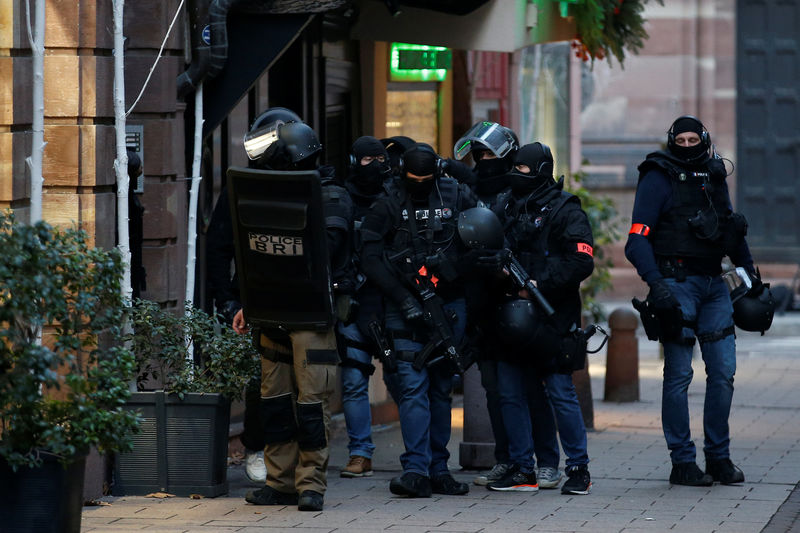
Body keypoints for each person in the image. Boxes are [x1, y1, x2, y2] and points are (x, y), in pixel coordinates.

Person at [625, 115, 754, 486]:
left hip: (715, 286)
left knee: (723, 374)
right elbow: (636, 241)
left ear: (704, 140)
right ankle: (682, 462)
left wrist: (750, 275)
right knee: (679, 375)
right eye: (679, 141)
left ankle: (718, 458)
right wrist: (657, 284)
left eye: (691, 140)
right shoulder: (658, 175)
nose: (686, 146)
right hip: (675, 284)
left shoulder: (714, 176)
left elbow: (729, 229)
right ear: (670, 141)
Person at [233, 111, 344, 512]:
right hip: (271, 310)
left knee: (311, 405)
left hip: (312, 315)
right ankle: (279, 483)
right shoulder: (267, 195)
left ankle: (310, 484)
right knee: (274, 403)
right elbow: (255, 254)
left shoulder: (331, 197)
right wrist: (249, 302)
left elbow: (325, 253)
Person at [359, 143, 477, 498]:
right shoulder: (388, 201)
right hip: (404, 306)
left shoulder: (457, 195)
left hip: (448, 304)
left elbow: (481, 242)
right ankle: (415, 469)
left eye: (427, 179)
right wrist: (402, 298)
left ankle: (438, 468)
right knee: (412, 389)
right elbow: (370, 256)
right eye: (414, 179)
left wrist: (451, 271)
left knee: (441, 388)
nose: (421, 184)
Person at [452, 122, 562, 490]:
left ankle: (546, 461)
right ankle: (509, 459)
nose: (483, 161)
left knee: (533, 388)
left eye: (490, 155)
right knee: (496, 389)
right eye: (478, 155)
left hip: (520, 301)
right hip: (480, 303)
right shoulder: (468, 191)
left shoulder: (520, 194)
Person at [487, 142, 594, 495]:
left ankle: (578, 467)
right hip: (509, 315)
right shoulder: (503, 203)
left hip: (552, 316)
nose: (516, 175)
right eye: (514, 168)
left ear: (542, 171)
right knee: (510, 392)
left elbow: (581, 261)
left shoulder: (566, 209)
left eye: (524, 170)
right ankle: (523, 468)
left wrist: (537, 284)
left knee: (560, 392)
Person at [205, 107, 303, 485]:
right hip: (253, 295)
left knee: (306, 378)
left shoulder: (307, 180)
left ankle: (296, 454)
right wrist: (227, 301)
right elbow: (218, 246)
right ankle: (258, 445)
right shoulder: (241, 184)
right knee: (263, 382)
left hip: (299, 292)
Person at [335, 136, 397, 478]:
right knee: (354, 378)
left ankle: (420, 456)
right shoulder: (341, 197)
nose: (374, 165)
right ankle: (360, 452)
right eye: (366, 159)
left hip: (390, 301)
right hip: (355, 302)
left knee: (403, 379)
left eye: (379, 158)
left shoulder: (394, 197)